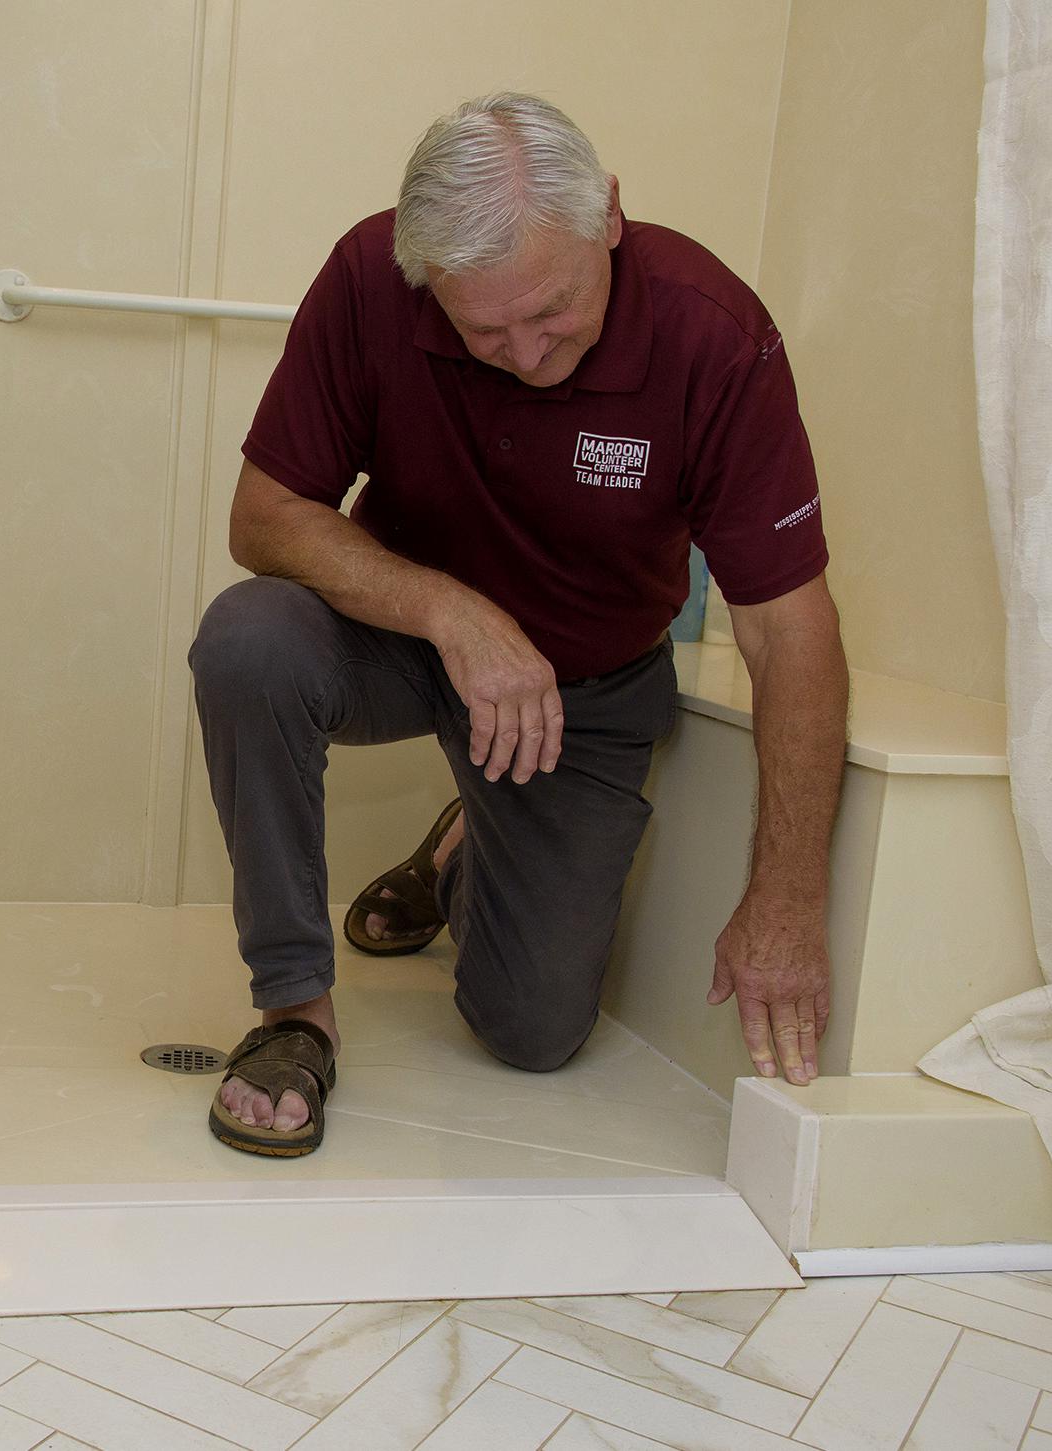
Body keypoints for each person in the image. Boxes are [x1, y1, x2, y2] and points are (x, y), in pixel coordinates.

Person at [191, 93, 850, 1157]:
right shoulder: (369, 275)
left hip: (582, 686)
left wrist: (785, 899)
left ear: (612, 220)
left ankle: (460, 844)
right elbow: (263, 516)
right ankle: (292, 1014)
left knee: (532, 1030)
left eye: (552, 313)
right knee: (248, 639)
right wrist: (453, 612)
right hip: (403, 643)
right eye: (483, 329)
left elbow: (789, 628)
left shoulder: (712, 335)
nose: (527, 355)